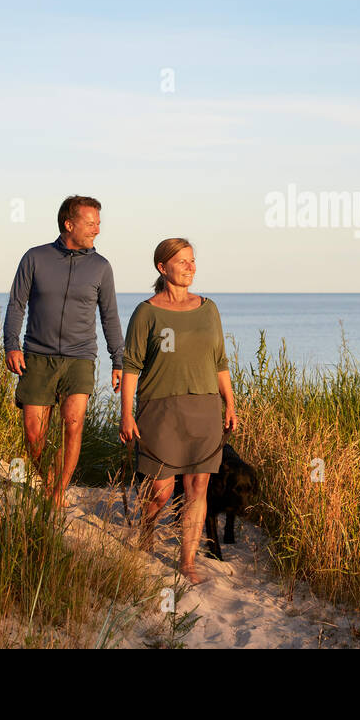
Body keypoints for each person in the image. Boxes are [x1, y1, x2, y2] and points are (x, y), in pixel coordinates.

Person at [119, 237, 237, 584]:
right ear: (162, 268)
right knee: (161, 490)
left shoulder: (208, 308)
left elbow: (219, 360)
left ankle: (187, 561)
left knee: (197, 487)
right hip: (160, 408)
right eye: (182, 261)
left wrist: (229, 402)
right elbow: (130, 367)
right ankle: (146, 526)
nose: (190, 267)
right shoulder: (146, 312)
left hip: (204, 406)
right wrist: (127, 413)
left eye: (192, 260)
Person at [3, 195, 124, 509]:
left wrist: (118, 359)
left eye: (98, 222)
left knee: (73, 423)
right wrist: (11, 345)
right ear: (69, 224)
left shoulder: (101, 267)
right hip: (37, 356)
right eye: (91, 222)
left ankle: (57, 494)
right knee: (33, 434)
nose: (97, 229)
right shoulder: (35, 258)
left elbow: (109, 315)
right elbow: (16, 304)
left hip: (80, 358)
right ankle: (49, 478)